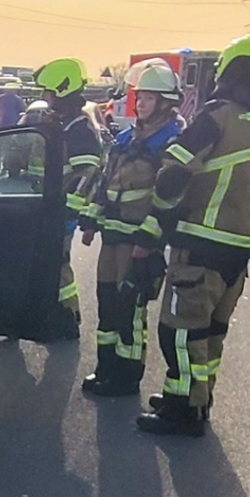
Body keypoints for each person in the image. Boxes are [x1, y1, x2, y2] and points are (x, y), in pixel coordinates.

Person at [136, 35, 250, 436]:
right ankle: (197, 397)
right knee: (211, 331)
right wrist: (249, 202)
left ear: (228, 72)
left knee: (178, 329)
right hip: (239, 248)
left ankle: (182, 411)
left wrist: (158, 218)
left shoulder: (219, 115)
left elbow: (175, 169)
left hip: (200, 242)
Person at [78, 60, 184, 397]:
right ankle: (105, 368)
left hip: (137, 241)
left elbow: (168, 199)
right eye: (140, 98)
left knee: (130, 311)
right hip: (112, 236)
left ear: (167, 103)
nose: (140, 104)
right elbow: (107, 181)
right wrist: (91, 221)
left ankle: (126, 377)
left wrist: (148, 241)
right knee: (107, 303)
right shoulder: (126, 138)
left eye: (149, 99)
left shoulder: (172, 143)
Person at [32, 57, 104, 339]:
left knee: (58, 263)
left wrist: (67, 211)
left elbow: (86, 174)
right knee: (53, 262)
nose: (45, 99)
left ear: (62, 91)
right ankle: (53, 313)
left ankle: (67, 317)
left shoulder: (79, 129)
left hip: (60, 210)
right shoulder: (67, 125)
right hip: (50, 207)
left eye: (48, 92)